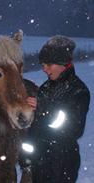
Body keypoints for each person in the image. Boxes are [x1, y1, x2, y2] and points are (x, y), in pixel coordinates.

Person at [22, 35, 90, 183]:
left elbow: (73, 128)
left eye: (48, 64)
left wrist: (44, 107)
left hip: (62, 163)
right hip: (39, 162)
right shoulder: (45, 88)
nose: (44, 69)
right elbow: (35, 129)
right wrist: (27, 157)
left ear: (64, 63)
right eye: (42, 64)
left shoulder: (78, 90)